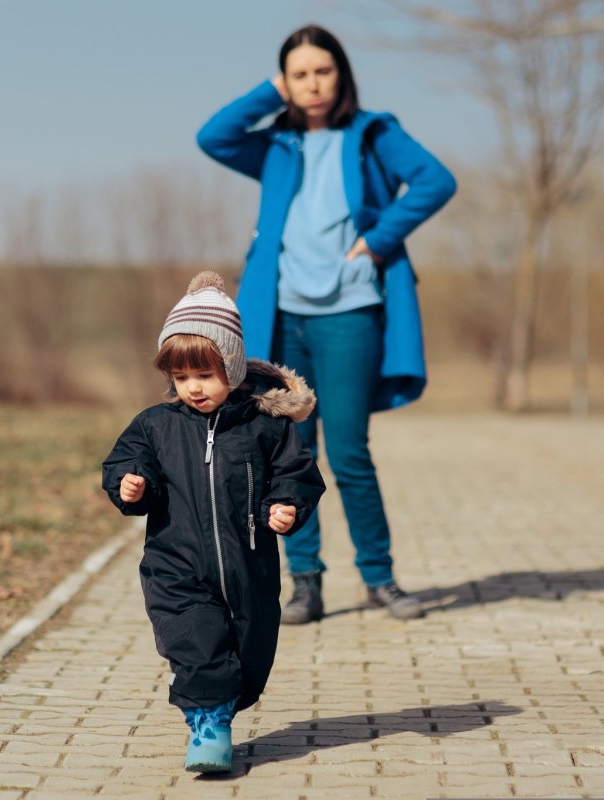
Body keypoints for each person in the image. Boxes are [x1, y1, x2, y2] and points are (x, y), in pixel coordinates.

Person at [196, 25, 457, 624]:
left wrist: (379, 240)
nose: (312, 85)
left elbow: (436, 181)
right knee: (289, 452)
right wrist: (270, 92)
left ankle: (381, 579)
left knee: (348, 451)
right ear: (286, 81)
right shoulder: (275, 147)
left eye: (322, 71)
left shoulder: (372, 135)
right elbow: (213, 135)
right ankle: (306, 584)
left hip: (350, 314)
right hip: (283, 314)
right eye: (299, 74)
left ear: (341, 74)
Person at [101, 271, 326, 773]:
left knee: (248, 658)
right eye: (181, 378)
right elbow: (125, 462)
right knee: (197, 646)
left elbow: (297, 473)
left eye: (204, 375)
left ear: (232, 367)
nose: (193, 388)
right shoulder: (155, 425)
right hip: (175, 567)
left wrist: (286, 504)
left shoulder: (266, 426)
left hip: (249, 568)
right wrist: (131, 483)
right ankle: (209, 728)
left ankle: (221, 707)